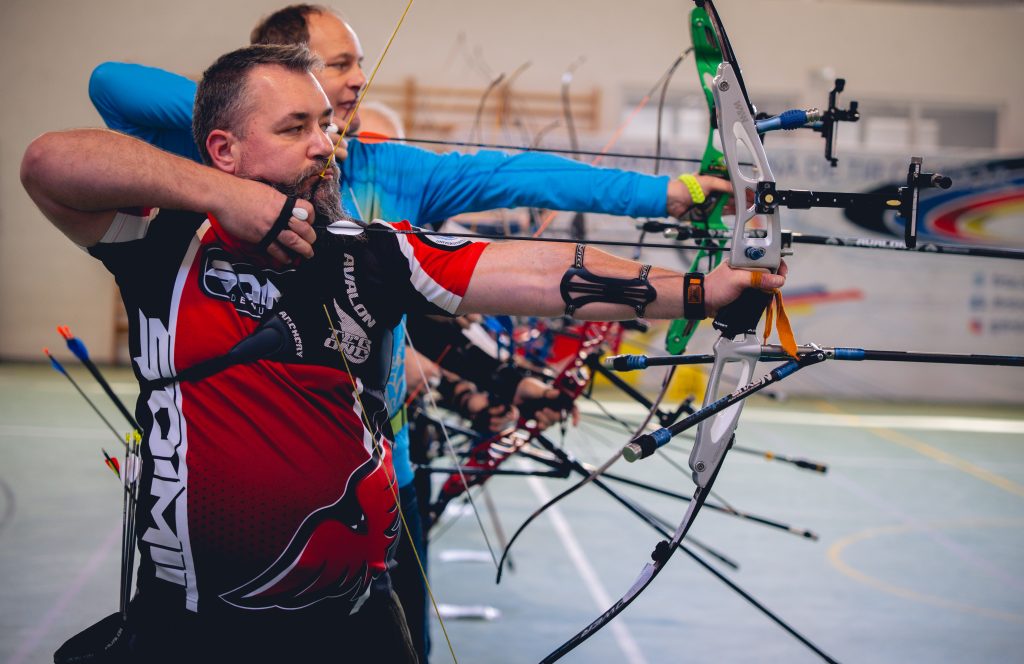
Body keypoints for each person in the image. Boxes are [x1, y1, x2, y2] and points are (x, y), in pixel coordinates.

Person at [25, 43, 782, 663]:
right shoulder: (165, 244)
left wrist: (702, 290)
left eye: (326, 124)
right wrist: (225, 198)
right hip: (200, 623)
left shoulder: (369, 251)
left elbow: (525, 271)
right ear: (224, 149)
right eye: (295, 127)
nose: (326, 144)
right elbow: (48, 163)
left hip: (356, 614)